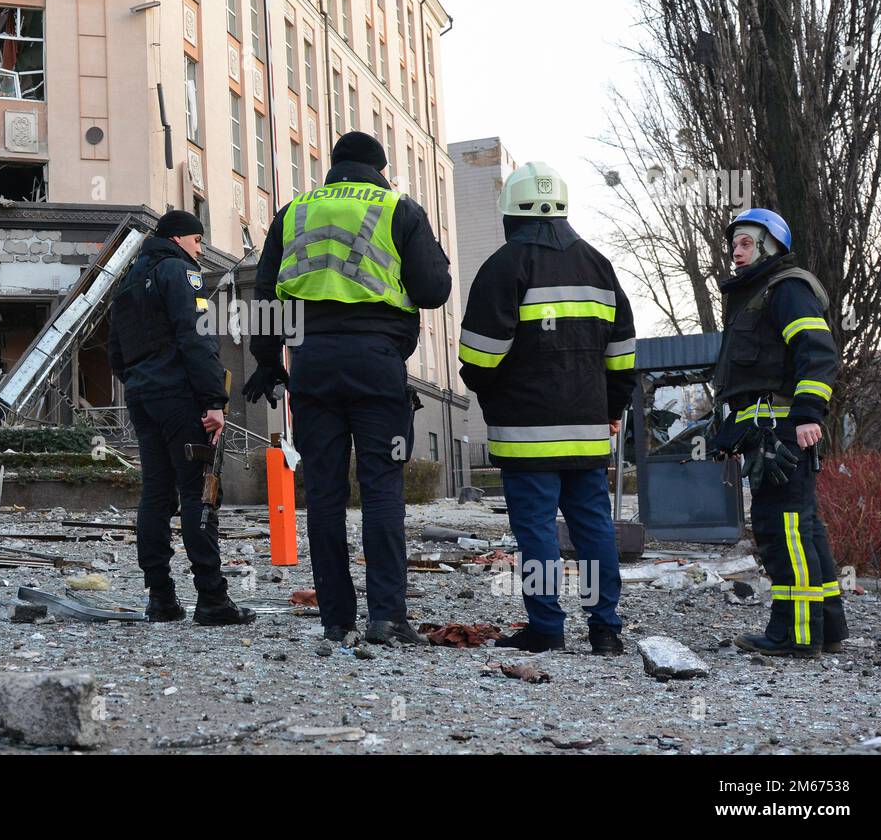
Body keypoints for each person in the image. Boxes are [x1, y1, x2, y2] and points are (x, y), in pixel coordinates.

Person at [245, 131, 452, 646]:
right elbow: (433, 290)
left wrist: (268, 362)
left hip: (311, 365)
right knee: (382, 491)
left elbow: (265, 294)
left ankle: (336, 620)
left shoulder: (293, 211)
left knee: (324, 495)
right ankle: (387, 617)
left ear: (333, 166)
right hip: (377, 363)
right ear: (380, 168)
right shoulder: (398, 208)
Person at [457, 162, 634, 655]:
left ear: (509, 210)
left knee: (536, 532)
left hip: (525, 433)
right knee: (594, 528)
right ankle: (605, 629)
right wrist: (612, 407)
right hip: (588, 430)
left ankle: (547, 627)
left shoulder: (503, 266)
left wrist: (493, 400)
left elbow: (477, 358)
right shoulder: (599, 264)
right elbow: (623, 353)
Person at [710, 208, 847, 657]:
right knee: (803, 528)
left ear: (770, 246)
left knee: (783, 529)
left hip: (784, 432)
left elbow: (817, 351)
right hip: (766, 431)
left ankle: (795, 634)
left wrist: (809, 412)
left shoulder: (786, 289)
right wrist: (726, 434)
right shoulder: (754, 296)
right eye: (734, 243)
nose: (736, 250)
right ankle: (826, 627)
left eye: (747, 242)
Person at [107, 211, 254, 626]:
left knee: (156, 493)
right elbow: (197, 338)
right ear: (178, 238)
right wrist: (213, 400)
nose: (200, 250)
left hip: (142, 396)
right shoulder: (182, 274)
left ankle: (161, 599)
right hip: (181, 398)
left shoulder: (128, 282)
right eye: (197, 240)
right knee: (199, 492)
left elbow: (115, 352)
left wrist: (142, 380)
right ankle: (212, 599)